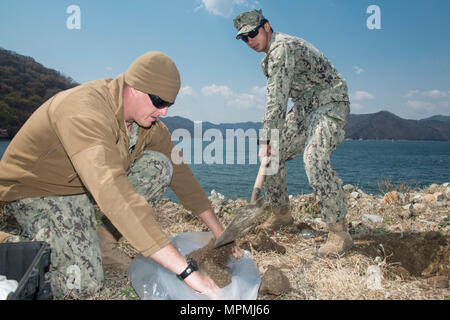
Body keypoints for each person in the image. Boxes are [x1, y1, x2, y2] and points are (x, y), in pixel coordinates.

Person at [0, 51, 241, 298]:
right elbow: (112, 191)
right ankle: (12, 244)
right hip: (35, 191)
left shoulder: (146, 123)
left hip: (81, 188)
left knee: (161, 165)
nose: (165, 112)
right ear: (134, 87)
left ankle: (101, 242)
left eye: (169, 104)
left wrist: (219, 232)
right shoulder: (83, 110)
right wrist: (188, 272)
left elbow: (182, 175)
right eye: (159, 102)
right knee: (82, 283)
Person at [233, 9, 353, 256]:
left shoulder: (281, 48)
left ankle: (339, 232)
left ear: (266, 27)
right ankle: (282, 214)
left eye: (253, 33)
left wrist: (266, 138)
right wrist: (270, 143)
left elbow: (277, 100)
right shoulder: (267, 59)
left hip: (329, 101)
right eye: (244, 38)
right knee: (273, 157)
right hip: (305, 107)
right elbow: (282, 98)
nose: (250, 41)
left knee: (314, 158)